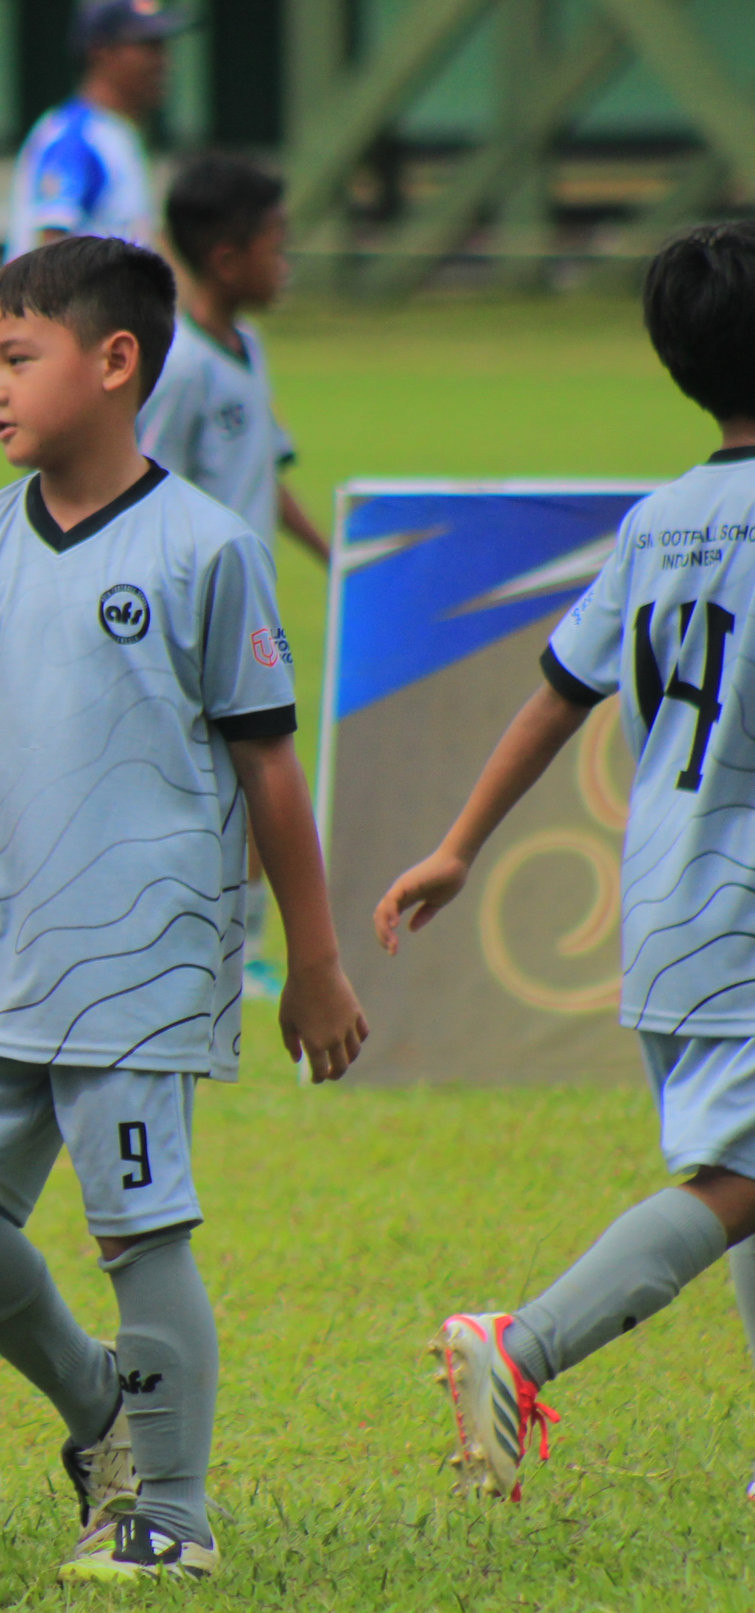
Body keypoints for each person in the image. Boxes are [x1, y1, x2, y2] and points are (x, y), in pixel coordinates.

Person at [0, 235, 369, 1583]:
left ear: (114, 364)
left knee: (134, 1227)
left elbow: (266, 766)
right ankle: (100, 1402)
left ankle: (169, 1512)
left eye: (14, 358)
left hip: (137, 954)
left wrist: (314, 961)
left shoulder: (203, 550)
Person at [374, 221, 755, 1506]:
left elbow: (555, 690)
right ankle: (520, 1344)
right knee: (741, 1177)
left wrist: (456, 844)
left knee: (741, 1174)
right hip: (746, 911)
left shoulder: (659, 522)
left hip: (667, 908)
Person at [140, 152, 328, 998]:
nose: (284, 262)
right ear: (227, 257)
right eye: (275, 244)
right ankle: (206, 938)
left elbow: (264, 473)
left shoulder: (246, 347)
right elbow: (146, 481)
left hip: (249, 599)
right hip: (194, 607)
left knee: (260, 757)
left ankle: (243, 944)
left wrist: (331, 554)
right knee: (215, 770)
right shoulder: (176, 364)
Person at [3, 0, 186, 260]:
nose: (163, 62)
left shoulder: (119, 134)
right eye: (149, 46)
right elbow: (47, 255)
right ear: (102, 52)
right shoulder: (77, 137)